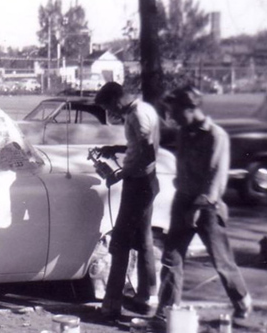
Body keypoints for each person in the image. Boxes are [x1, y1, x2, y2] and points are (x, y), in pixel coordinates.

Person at [153, 85, 252, 326]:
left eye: (176, 111)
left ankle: (242, 301)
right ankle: (166, 311)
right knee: (171, 258)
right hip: (182, 201)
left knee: (221, 260)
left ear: (191, 108)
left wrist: (197, 208)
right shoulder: (184, 132)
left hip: (207, 207)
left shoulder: (216, 136)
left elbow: (216, 178)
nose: (172, 117)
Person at [94, 82, 161, 319]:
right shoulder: (144, 110)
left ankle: (112, 302)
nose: (111, 113)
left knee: (120, 242)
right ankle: (147, 297)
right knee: (143, 241)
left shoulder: (137, 115)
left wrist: (121, 173)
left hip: (139, 184)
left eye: (109, 107)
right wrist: (116, 149)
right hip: (145, 181)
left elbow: (148, 151)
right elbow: (139, 146)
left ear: (115, 100)